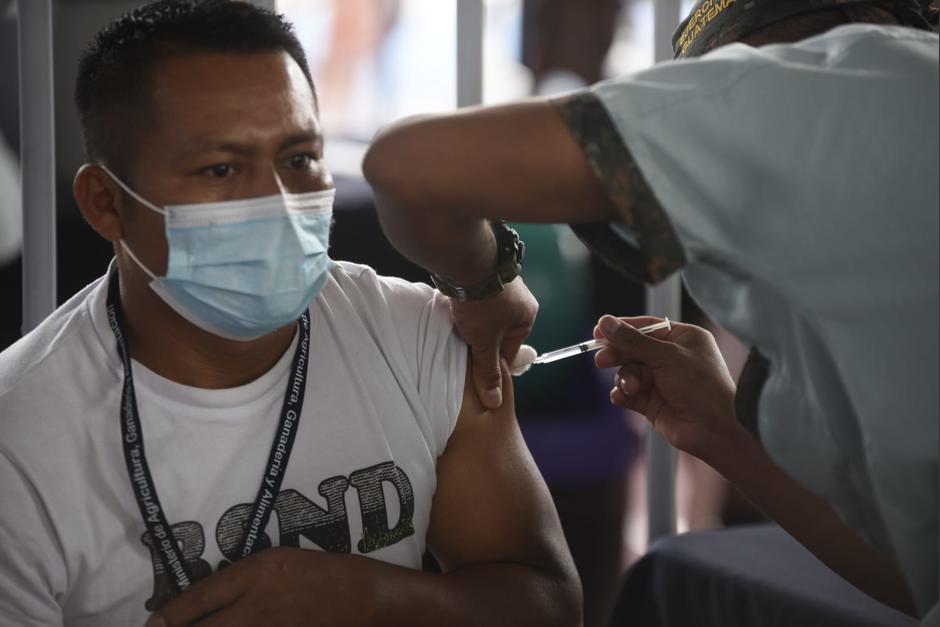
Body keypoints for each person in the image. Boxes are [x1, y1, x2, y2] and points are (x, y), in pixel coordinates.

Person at [0, 2, 581, 626]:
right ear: (106, 203)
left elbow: (551, 606)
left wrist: (370, 598)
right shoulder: (22, 440)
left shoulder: (414, 337)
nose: (276, 201)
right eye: (221, 169)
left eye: (299, 158)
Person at [362, 0, 939, 620]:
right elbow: (919, 575)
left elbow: (406, 166)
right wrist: (721, 431)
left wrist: (488, 290)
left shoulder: (807, 83)